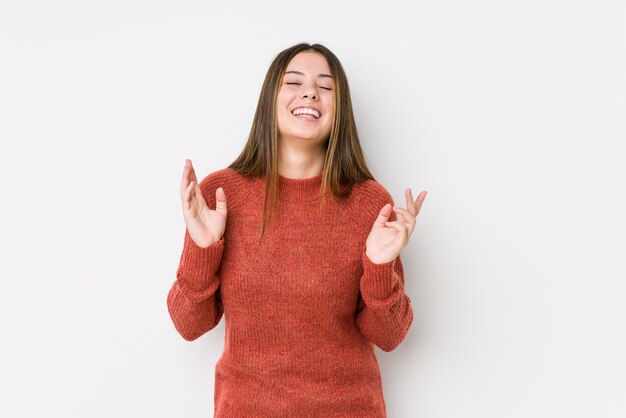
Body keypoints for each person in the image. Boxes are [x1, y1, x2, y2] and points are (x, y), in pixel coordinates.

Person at [167, 42, 427, 417]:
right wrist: (202, 249)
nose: (310, 92)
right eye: (294, 82)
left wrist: (379, 266)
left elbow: (389, 336)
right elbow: (188, 325)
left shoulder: (370, 202)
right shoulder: (222, 194)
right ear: (270, 99)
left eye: (326, 86)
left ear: (340, 110)